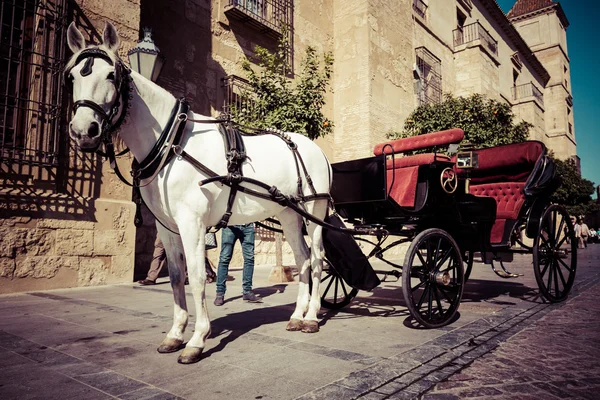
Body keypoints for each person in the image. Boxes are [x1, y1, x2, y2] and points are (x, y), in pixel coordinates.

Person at [138, 236, 216, 285]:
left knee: (190, 252)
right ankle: (151, 278)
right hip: (163, 227)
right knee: (158, 252)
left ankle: (209, 273)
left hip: (179, 227)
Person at [214, 223, 260, 305]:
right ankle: (219, 294)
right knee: (224, 259)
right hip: (231, 225)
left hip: (248, 225)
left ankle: (247, 291)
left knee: (249, 258)